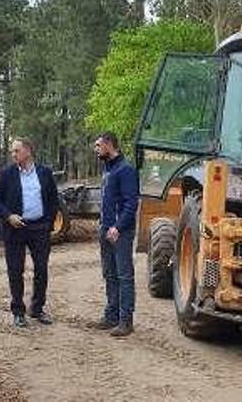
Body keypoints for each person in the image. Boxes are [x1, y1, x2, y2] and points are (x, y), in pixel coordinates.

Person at [0, 137, 59, 327]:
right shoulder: (6, 174)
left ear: (28, 151)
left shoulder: (45, 173)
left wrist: (48, 223)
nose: (13, 154)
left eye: (17, 151)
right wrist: (8, 217)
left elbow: (53, 199)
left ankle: (37, 309)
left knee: (41, 269)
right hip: (15, 229)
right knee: (15, 270)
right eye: (12, 151)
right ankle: (18, 312)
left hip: (39, 228)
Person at [90, 132, 139, 337]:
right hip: (105, 230)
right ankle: (111, 316)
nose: (96, 149)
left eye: (99, 145)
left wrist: (117, 227)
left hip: (120, 233)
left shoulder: (125, 170)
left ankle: (126, 321)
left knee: (124, 275)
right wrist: (103, 225)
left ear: (110, 144)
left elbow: (131, 203)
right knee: (109, 274)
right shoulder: (108, 170)